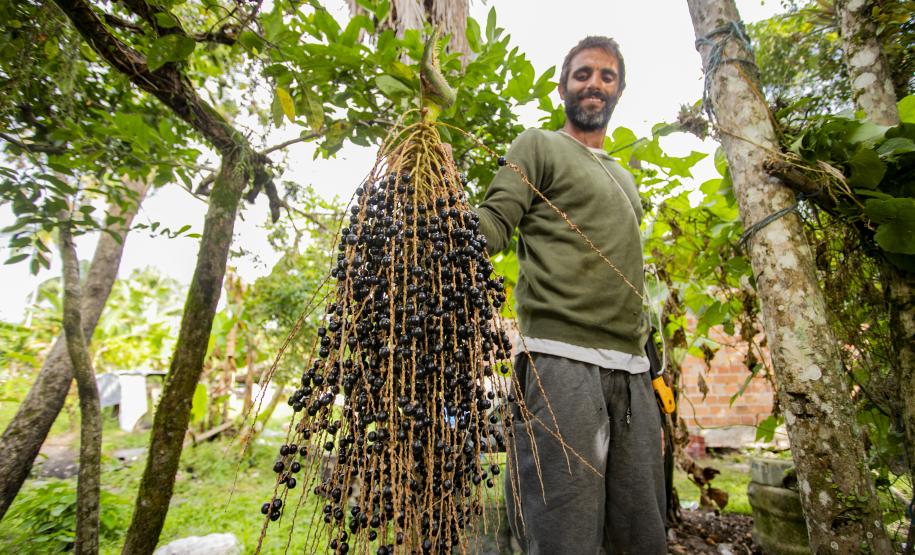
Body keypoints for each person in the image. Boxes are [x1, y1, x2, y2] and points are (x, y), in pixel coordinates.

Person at [473, 36, 667, 554]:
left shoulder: (624, 178)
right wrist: (433, 213)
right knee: (563, 536)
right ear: (563, 88)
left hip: (633, 375)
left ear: (619, 90)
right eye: (582, 74)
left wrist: (651, 366)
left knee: (642, 536)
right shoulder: (538, 145)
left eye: (606, 76)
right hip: (561, 363)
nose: (594, 84)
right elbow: (493, 224)